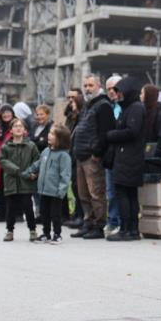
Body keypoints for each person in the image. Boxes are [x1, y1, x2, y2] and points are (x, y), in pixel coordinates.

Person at [71, 75, 114, 240]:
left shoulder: (103, 105)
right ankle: (87, 222)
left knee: (96, 193)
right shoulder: (88, 105)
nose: (87, 88)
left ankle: (99, 224)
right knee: (83, 194)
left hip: (92, 157)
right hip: (80, 155)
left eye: (90, 85)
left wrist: (97, 153)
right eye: (85, 85)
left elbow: (105, 132)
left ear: (98, 86)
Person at [105, 76, 146, 241]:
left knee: (124, 193)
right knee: (128, 193)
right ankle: (131, 229)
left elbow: (132, 131)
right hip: (127, 156)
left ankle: (127, 229)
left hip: (129, 158)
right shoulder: (128, 108)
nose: (118, 95)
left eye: (120, 91)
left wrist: (111, 135)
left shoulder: (135, 108)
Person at [26, 124, 71, 243]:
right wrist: (29, 171)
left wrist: (61, 191)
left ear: (60, 139)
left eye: (52, 134)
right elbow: (38, 164)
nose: (49, 135)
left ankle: (57, 234)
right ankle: (46, 233)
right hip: (43, 190)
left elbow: (65, 175)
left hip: (55, 192)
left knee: (55, 214)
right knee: (44, 213)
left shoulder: (64, 155)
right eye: (49, 133)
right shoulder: (46, 151)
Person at [0, 118, 39, 242]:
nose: (18, 128)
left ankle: (32, 230)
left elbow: (37, 160)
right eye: (15, 126)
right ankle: (9, 231)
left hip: (26, 182)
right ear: (11, 130)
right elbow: (2, 160)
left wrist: (33, 172)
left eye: (21, 126)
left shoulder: (31, 145)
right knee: (10, 208)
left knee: (28, 206)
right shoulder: (6, 146)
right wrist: (16, 169)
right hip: (11, 182)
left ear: (25, 130)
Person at [62, 89, 85, 227]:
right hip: (70, 154)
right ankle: (77, 214)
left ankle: (81, 216)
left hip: (78, 155)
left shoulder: (81, 117)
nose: (70, 100)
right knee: (74, 186)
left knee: (79, 187)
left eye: (73, 98)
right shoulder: (70, 116)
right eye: (69, 97)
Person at [104, 75, 122, 235]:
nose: (111, 91)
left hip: (122, 155)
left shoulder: (126, 106)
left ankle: (119, 221)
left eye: (114, 88)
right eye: (108, 88)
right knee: (110, 191)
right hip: (109, 154)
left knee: (120, 190)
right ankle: (112, 220)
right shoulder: (107, 106)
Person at [141, 84, 161, 166]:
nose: (140, 96)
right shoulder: (144, 112)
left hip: (156, 161)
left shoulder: (160, 114)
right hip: (144, 160)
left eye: (142, 93)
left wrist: (152, 152)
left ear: (148, 95)